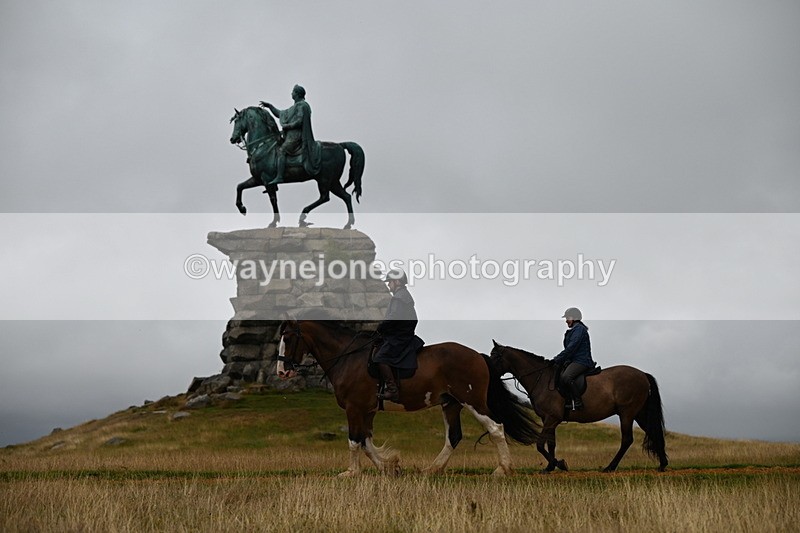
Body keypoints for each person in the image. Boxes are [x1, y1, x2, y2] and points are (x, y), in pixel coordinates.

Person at [259, 84, 322, 185]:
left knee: (282, 150)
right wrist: (270, 106)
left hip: (296, 137)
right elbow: (280, 114)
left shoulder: (302, 105)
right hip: (290, 136)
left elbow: (299, 121)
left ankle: (279, 176)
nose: (291, 93)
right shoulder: (294, 107)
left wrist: (288, 126)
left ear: (297, 94)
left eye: (293, 91)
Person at [374, 269, 419, 402]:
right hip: (400, 335)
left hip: (399, 337)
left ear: (397, 282)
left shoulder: (399, 297)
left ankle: (392, 390)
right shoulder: (403, 296)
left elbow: (393, 318)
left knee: (380, 357)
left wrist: (381, 328)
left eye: (390, 282)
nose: (389, 285)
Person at [551, 307, 596, 410]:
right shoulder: (574, 330)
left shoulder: (579, 329)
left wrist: (557, 358)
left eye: (567, 318)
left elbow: (571, 347)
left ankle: (578, 402)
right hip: (573, 360)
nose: (566, 321)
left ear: (574, 318)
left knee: (566, 376)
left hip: (582, 361)